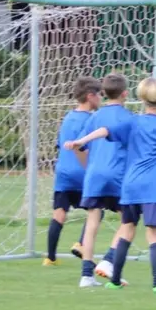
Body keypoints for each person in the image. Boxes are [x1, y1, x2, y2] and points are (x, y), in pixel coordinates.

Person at [68, 78, 156, 294]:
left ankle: (113, 279)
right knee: (153, 234)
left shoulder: (133, 123)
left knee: (127, 229)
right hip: (152, 189)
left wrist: (82, 141)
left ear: (141, 98)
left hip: (130, 186)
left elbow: (105, 130)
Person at [75, 73, 133, 288]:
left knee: (91, 223)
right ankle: (109, 260)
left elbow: (79, 147)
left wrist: (87, 167)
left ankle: (86, 276)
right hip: (118, 174)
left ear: (103, 93)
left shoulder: (94, 117)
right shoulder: (129, 118)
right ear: (125, 93)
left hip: (94, 175)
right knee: (128, 220)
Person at [46, 76, 100, 266]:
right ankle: (81, 243)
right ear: (90, 96)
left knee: (59, 213)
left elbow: (59, 144)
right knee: (97, 209)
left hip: (63, 173)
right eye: (99, 95)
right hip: (82, 173)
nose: (101, 99)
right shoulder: (92, 120)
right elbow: (86, 146)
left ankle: (50, 258)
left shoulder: (68, 117)